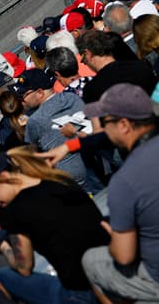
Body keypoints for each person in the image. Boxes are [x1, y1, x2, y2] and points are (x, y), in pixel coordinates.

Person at [0, 146, 109, 304]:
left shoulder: (14, 210)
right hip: (111, 269)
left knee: (2, 276)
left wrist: (4, 246)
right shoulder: (60, 179)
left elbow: (24, 268)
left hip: (82, 291)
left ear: (3, 177)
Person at [80, 83, 159, 303]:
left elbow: (124, 256)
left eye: (106, 122)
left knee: (91, 260)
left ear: (124, 124)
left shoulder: (124, 181)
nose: (104, 129)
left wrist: (114, 235)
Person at [12, 68, 89, 189]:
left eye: (23, 97)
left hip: (70, 180)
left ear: (39, 93)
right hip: (97, 163)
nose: (21, 102)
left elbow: (32, 152)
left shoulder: (35, 120)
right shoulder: (71, 96)